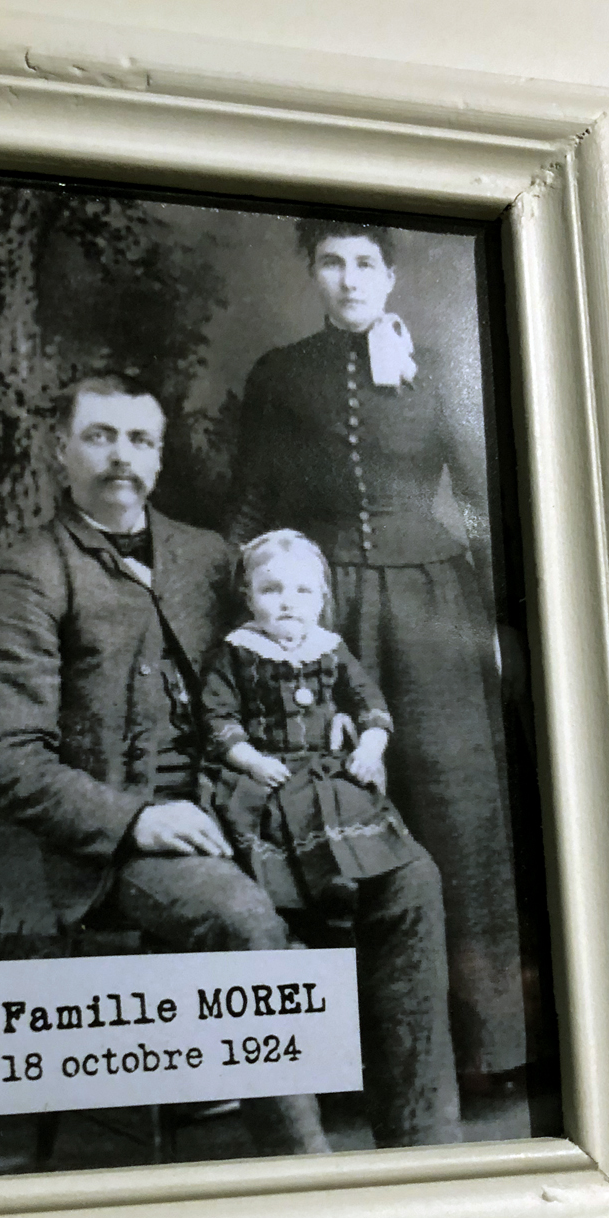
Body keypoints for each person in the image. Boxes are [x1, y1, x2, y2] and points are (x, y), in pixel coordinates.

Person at [0, 373, 329, 1158]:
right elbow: (3, 756)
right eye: (99, 437)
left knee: (406, 882)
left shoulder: (207, 556)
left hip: (241, 807)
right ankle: (310, 1176)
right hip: (121, 849)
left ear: (160, 458)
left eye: (139, 440)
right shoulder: (30, 573)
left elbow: (280, 657)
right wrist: (137, 819)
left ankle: (422, 1147)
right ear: (60, 449)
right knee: (242, 918)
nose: (120, 458)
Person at [228, 220, 529, 1093]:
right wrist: (231, 609)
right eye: (331, 262)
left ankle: (487, 1049)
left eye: (365, 262)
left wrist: (504, 620)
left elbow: (481, 502)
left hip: (435, 610)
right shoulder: (281, 375)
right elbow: (252, 499)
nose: (349, 278)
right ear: (312, 273)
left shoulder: (437, 366)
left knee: (455, 807)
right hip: (325, 615)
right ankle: (354, 1054)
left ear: (390, 275)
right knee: (340, 808)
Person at [202, 530, 461, 1145]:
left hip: (328, 774)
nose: (287, 602)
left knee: (378, 847)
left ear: (321, 598)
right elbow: (218, 717)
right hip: (271, 777)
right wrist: (247, 758)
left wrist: (371, 745)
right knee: (280, 866)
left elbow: (369, 703)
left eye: (301, 591)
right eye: (271, 589)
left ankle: (347, 887)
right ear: (249, 596)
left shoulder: (331, 649)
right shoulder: (237, 652)